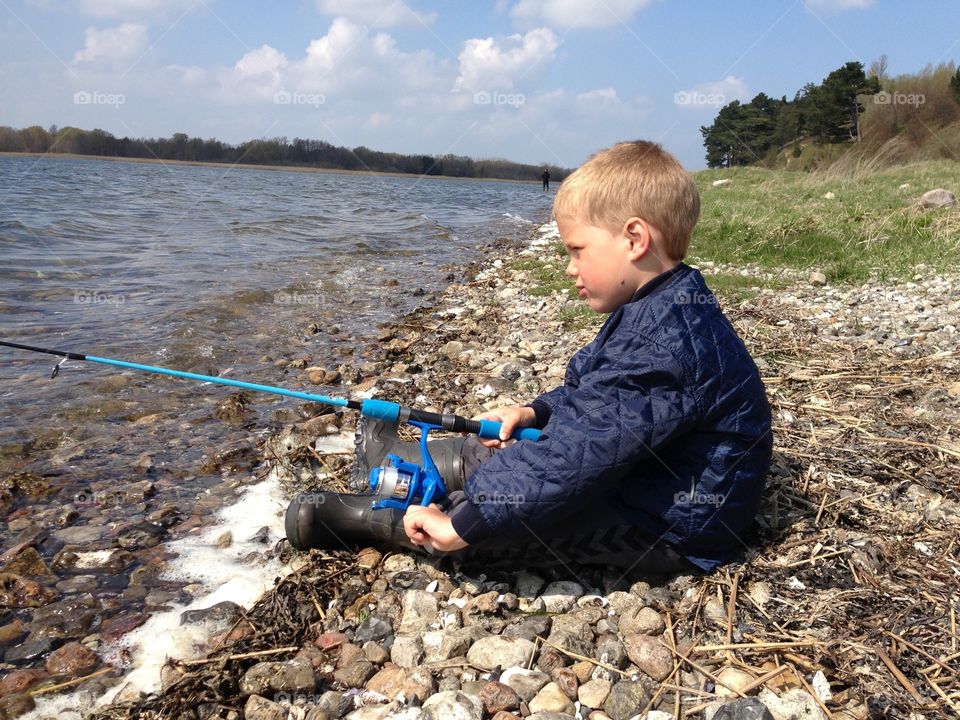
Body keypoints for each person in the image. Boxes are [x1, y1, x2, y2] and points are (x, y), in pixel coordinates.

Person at [286, 140, 772, 577]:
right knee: (512, 451)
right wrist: (536, 412)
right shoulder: (662, 306)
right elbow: (596, 399)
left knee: (489, 522)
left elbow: (574, 456)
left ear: (635, 239)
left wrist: (464, 523)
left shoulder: (663, 344)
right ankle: (408, 462)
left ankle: (369, 519)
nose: (569, 267)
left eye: (578, 250)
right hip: (637, 473)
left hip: (667, 524)